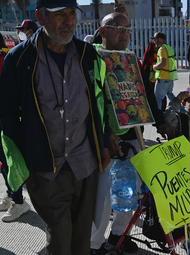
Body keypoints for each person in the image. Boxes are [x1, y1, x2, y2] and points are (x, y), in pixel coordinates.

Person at [0, 0, 111, 254]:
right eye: (59, 14)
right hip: (45, 170)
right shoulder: (19, 59)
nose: (69, 21)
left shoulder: (88, 54)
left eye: (72, 13)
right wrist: (20, 163)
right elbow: (6, 114)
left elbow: (99, 101)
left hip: (86, 165)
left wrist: (103, 141)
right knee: (60, 241)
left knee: (82, 240)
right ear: (40, 17)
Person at [90, 12, 174, 255]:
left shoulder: (132, 60)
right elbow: (89, 103)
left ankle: (118, 236)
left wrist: (160, 122)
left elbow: (147, 94)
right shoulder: (92, 59)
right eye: (118, 28)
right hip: (106, 142)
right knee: (103, 198)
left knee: (128, 194)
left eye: (128, 29)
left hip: (132, 137)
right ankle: (94, 244)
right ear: (103, 31)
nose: (124, 34)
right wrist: (106, 135)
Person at [0, 32, 31, 222]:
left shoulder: (7, 59)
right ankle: (12, 194)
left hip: (7, 120)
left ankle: (19, 201)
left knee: (10, 160)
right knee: (3, 162)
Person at [152, 32, 178, 109]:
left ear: (160, 39)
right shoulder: (169, 48)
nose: (154, 41)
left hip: (163, 78)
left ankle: (158, 117)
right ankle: (182, 111)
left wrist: (155, 66)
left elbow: (163, 63)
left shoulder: (162, 49)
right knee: (171, 96)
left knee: (158, 99)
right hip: (169, 77)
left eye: (155, 39)